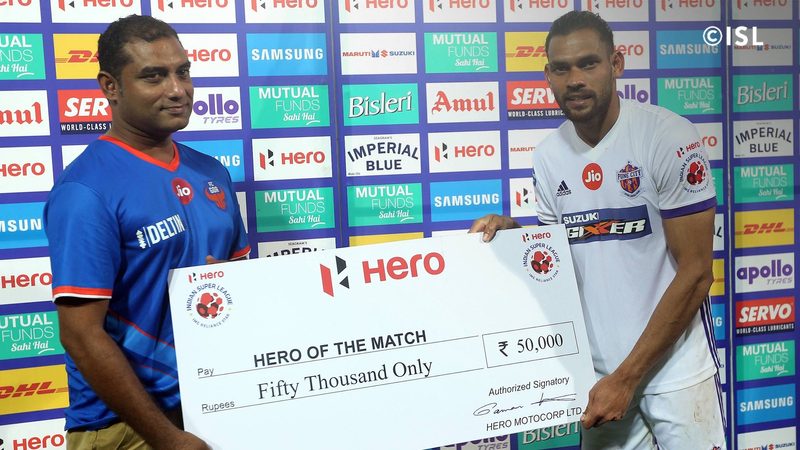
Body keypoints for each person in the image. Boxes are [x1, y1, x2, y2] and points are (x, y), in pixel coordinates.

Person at [470, 11, 725, 449]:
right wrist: (512, 237)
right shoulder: (547, 156)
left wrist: (628, 377)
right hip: (600, 377)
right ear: (547, 76)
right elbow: (560, 260)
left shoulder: (667, 137)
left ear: (616, 64)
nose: (575, 80)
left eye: (588, 64)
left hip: (675, 375)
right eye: (562, 68)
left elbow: (697, 272)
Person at [44, 15, 250, 450]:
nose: (177, 89)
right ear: (111, 87)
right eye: (153, 76)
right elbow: (81, 334)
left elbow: (241, 291)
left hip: (215, 405)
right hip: (124, 427)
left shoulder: (211, 172)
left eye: (183, 72)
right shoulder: (86, 190)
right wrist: (167, 439)